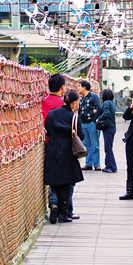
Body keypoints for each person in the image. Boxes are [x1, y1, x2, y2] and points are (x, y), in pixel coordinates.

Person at [41, 74, 80, 222]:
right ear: (63, 88)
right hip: (66, 147)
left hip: (49, 144)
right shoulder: (62, 106)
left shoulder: (44, 102)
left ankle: (53, 203)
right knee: (67, 181)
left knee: (53, 178)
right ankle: (66, 211)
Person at [78, 80, 101, 170]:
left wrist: (94, 121)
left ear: (84, 87)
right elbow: (80, 111)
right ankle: (88, 163)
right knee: (87, 145)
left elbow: (98, 108)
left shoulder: (94, 97)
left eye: (79, 86)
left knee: (95, 145)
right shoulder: (81, 99)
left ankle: (96, 164)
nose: (78, 88)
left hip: (92, 123)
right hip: (83, 124)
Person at [98, 88, 117, 173]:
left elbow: (106, 113)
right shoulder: (112, 103)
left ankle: (111, 166)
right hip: (112, 127)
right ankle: (109, 165)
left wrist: (98, 119)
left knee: (108, 148)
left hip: (108, 127)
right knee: (109, 147)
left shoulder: (106, 103)